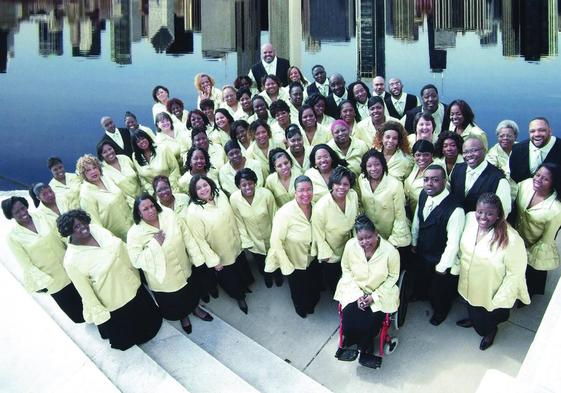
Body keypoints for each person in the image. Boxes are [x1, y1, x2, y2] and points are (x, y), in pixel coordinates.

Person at [58, 209, 162, 350]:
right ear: (68, 231)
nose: (83, 227)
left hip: (130, 278)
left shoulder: (96, 229)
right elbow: (85, 292)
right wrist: (99, 313)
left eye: (83, 223)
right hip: (114, 297)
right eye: (76, 227)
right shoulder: (71, 261)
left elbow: (118, 245)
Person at [127, 194, 212, 334]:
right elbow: (136, 261)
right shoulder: (134, 234)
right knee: (177, 301)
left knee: (190, 292)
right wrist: (155, 244)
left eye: (152, 206)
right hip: (165, 279)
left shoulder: (168, 214)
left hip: (184, 267)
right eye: (145, 209)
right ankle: (183, 317)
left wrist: (197, 258)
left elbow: (187, 236)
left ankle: (196, 309)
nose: (151, 210)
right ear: (139, 213)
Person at [456, 193, 530, 350]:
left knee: (485, 321)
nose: (483, 217)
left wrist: (499, 300)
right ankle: (474, 319)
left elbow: (515, 274)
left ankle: (489, 331)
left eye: (489, 213)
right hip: (468, 283)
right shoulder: (470, 219)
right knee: (472, 308)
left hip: (490, 292)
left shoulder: (512, 240)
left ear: (498, 216)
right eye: (480, 212)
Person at [3, 196, 84, 323]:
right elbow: (25, 264)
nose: (22, 213)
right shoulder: (13, 237)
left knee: (86, 297)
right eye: (17, 212)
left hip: (69, 266)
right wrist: (44, 280)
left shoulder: (43, 217)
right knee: (75, 311)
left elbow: (61, 235)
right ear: (11, 215)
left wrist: (77, 251)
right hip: (51, 278)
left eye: (23, 208)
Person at [333, 214, 400, 369]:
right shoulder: (350, 246)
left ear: (376, 233)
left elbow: (393, 277)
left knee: (369, 323)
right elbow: (346, 269)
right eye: (361, 239)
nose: (365, 242)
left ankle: (366, 349)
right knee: (348, 317)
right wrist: (358, 294)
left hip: (380, 293)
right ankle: (351, 343)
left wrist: (373, 296)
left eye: (368, 237)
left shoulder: (390, 252)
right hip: (355, 290)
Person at [187, 175, 254, 314]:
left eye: (205, 185)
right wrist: (214, 260)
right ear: (194, 192)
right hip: (220, 253)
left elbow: (234, 217)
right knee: (231, 279)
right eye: (198, 188)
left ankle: (245, 287)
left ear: (210, 184)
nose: (203, 189)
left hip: (236, 244)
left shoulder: (220, 195)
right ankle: (239, 298)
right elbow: (200, 240)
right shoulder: (193, 212)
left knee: (241, 269)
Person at [410, 165, 465, 325]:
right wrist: (414, 241)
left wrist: (442, 267)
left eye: (435, 180)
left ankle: (441, 311)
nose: (429, 184)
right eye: (426, 179)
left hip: (440, 258)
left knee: (439, 290)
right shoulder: (423, 194)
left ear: (444, 181)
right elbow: (417, 219)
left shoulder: (455, 209)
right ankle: (420, 295)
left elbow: (453, 244)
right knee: (422, 278)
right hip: (423, 250)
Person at [265, 175, 321, 318]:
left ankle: (312, 303)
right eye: (301, 190)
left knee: (312, 284)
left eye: (309, 190)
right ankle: (300, 307)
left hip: (312, 257)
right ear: (294, 192)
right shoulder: (284, 213)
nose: (306, 194)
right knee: (298, 289)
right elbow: (276, 241)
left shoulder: (316, 207)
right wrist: (286, 265)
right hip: (293, 261)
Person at [230, 168, 282, 288]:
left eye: (250, 183)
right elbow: (239, 221)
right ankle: (267, 278)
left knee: (275, 259)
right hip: (254, 240)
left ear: (255, 183)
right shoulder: (234, 199)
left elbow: (274, 216)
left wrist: (277, 237)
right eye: (244, 185)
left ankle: (278, 277)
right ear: (238, 186)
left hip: (270, 235)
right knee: (261, 263)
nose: (248, 187)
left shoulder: (266, 194)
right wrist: (247, 240)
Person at [515, 163, 561, 296]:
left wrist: (526, 254)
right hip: (515, 238)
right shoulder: (525, 184)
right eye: (537, 175)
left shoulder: (556, 209)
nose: (538, 180)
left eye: (545, 179)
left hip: (534, 246)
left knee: (529, 277)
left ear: (553, 183)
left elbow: (547, 240)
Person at [312, 167, 359, 293]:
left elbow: (356, 219)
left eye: (345, 184)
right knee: (334, 278)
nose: (341, 187)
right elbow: (318, 234)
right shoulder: (321, 207)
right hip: (331, 250)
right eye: (337, 183)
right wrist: (326, 255)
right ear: (332, 184)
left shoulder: (353, 196)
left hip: (349, 244)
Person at [358, 149, 411, 249]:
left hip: (391, 237)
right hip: (370, 236)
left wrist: (392, 242)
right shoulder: (362, 179)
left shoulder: (395, 184)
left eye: (377, 164)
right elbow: (361, 205)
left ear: (383, 164)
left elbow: (400, 216)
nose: (373, 169)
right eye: (369, 166)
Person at [75, 154, 132, 242]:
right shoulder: (85, 194)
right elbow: (95, 224)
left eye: (94, 167)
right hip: (118, 238)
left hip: (133, 224)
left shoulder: (106, 177)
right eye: (88, 170)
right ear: (83, 174)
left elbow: (125, 196)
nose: (93, 171)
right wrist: (110, 241)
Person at [449, 137, 511, 214]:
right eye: (465, 152)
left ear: (484, 151)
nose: (469, 155)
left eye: (474, 150)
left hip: (482, 224)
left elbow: (504, 210)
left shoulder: (499, 178)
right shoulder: (457, 169)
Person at [509, 117, 561, 183]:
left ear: (550, 131)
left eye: (541, 130)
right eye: (532, 131)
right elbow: (513, 180)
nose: (537, 134)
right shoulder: (517, 150)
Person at [96, 140, 141, 207]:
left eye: (110, 149)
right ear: (101, 155)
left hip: (143, 196)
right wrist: (135, 204)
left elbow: (139, 175)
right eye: (104, 152)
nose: (109, 152)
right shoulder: (103, 172)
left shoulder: (124, 158)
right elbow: (117, 192)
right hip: (128, 206)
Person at [487, 120, 519, 200]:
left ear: (515, 136)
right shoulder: (492, 154)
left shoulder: (521, 149)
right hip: (502, 192)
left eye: (509, 136)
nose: (505, 138)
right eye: (501, 136)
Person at [404, 140, 436, 217]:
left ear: (432, 155)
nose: (421, 158)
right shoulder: (415, 167)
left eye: (426, 155)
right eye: (418, 155)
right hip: (411, 212)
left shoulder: (436, 172)